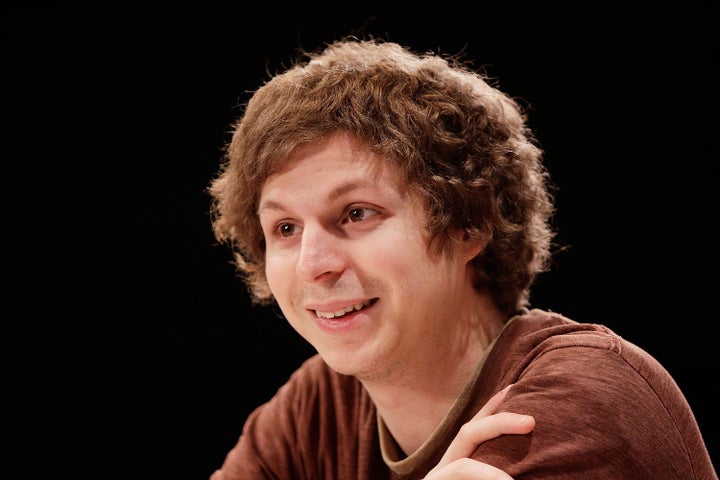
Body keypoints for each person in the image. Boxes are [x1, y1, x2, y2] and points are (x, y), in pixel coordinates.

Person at [206, 37, 717, 479]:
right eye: (286, 228)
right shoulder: (316, 413)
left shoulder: (579, 401)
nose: (313, 263)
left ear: (467, 223)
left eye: (357, 213)